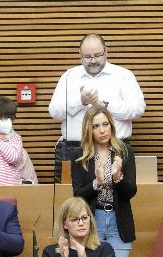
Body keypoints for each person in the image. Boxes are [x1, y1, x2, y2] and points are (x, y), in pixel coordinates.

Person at [48, 33, 145, 182]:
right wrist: (81, 101)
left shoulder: (123, 75)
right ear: (79, 54)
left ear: (106, 51)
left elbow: (138, 109)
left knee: (115, 199)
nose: (93, 61)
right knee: (75, 200)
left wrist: (104, 106)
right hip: (75, 149)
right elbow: (54, 112)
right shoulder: (69, 77)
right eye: (87, 57)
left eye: (97, 55)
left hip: (115, 147)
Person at [71, 105, 137, 257]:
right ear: (89, 129)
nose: (102, 130)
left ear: (111, 126)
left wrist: (118, 178)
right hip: (93, 219)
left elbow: (131, 192)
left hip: (118, 220)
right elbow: (78, 194)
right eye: (96, 126)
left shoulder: (124, 151)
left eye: (105, 124)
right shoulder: (79, 155)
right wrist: (97, 182)